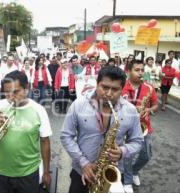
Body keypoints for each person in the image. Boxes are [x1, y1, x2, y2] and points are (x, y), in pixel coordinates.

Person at [60, 66, 143, 193]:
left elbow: (138, 141)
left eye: (115, 89)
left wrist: (122, 151)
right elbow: (66, 136)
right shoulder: (79, 104)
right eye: (104, 87)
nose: (109, 93)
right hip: (81, 171)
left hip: (111, 174)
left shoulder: (130, 110)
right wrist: (84, 163)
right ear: (97, 84)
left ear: (122, 89)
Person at [0, 70, 52, 193]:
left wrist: (46, 172)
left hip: (29, 173)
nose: (10, 97)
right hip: (2, 172)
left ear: (27, 88)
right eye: (7, 92)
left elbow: (45, 141)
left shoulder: (39, 110)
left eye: (15, 92)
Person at [122, 60, 158, 193]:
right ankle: (127, 181)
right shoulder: (122, 87)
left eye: (142, 70)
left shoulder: (149, 88)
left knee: (146, 155)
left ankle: (134, 171)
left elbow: (155, 106)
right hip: (127, 127)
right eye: (137, 70)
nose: (140, 73)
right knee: (128, 155)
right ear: (128, 71)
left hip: (144, 126)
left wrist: (148, 110)